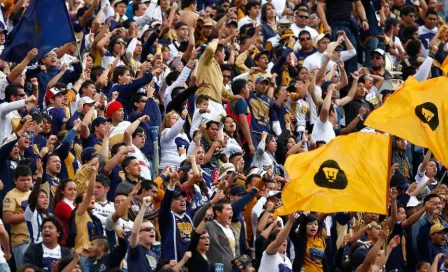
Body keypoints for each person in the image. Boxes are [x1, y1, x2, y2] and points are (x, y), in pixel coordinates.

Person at [3, 165, 32, 268]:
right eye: (22, 180)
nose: (26, 182)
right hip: (21, 241)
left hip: (35, 240)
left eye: (28, 179)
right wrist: (27, 215)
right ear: (15, 181)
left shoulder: (33, 194)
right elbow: (7, 218)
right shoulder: (11, 195)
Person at [128, 196, 158, 271]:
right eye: (148, 229)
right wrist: (144, 207)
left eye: (153, 229)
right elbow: (135, 231)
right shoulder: (135, 249)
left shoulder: (154, 254)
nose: (152, 231)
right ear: (139, 234)